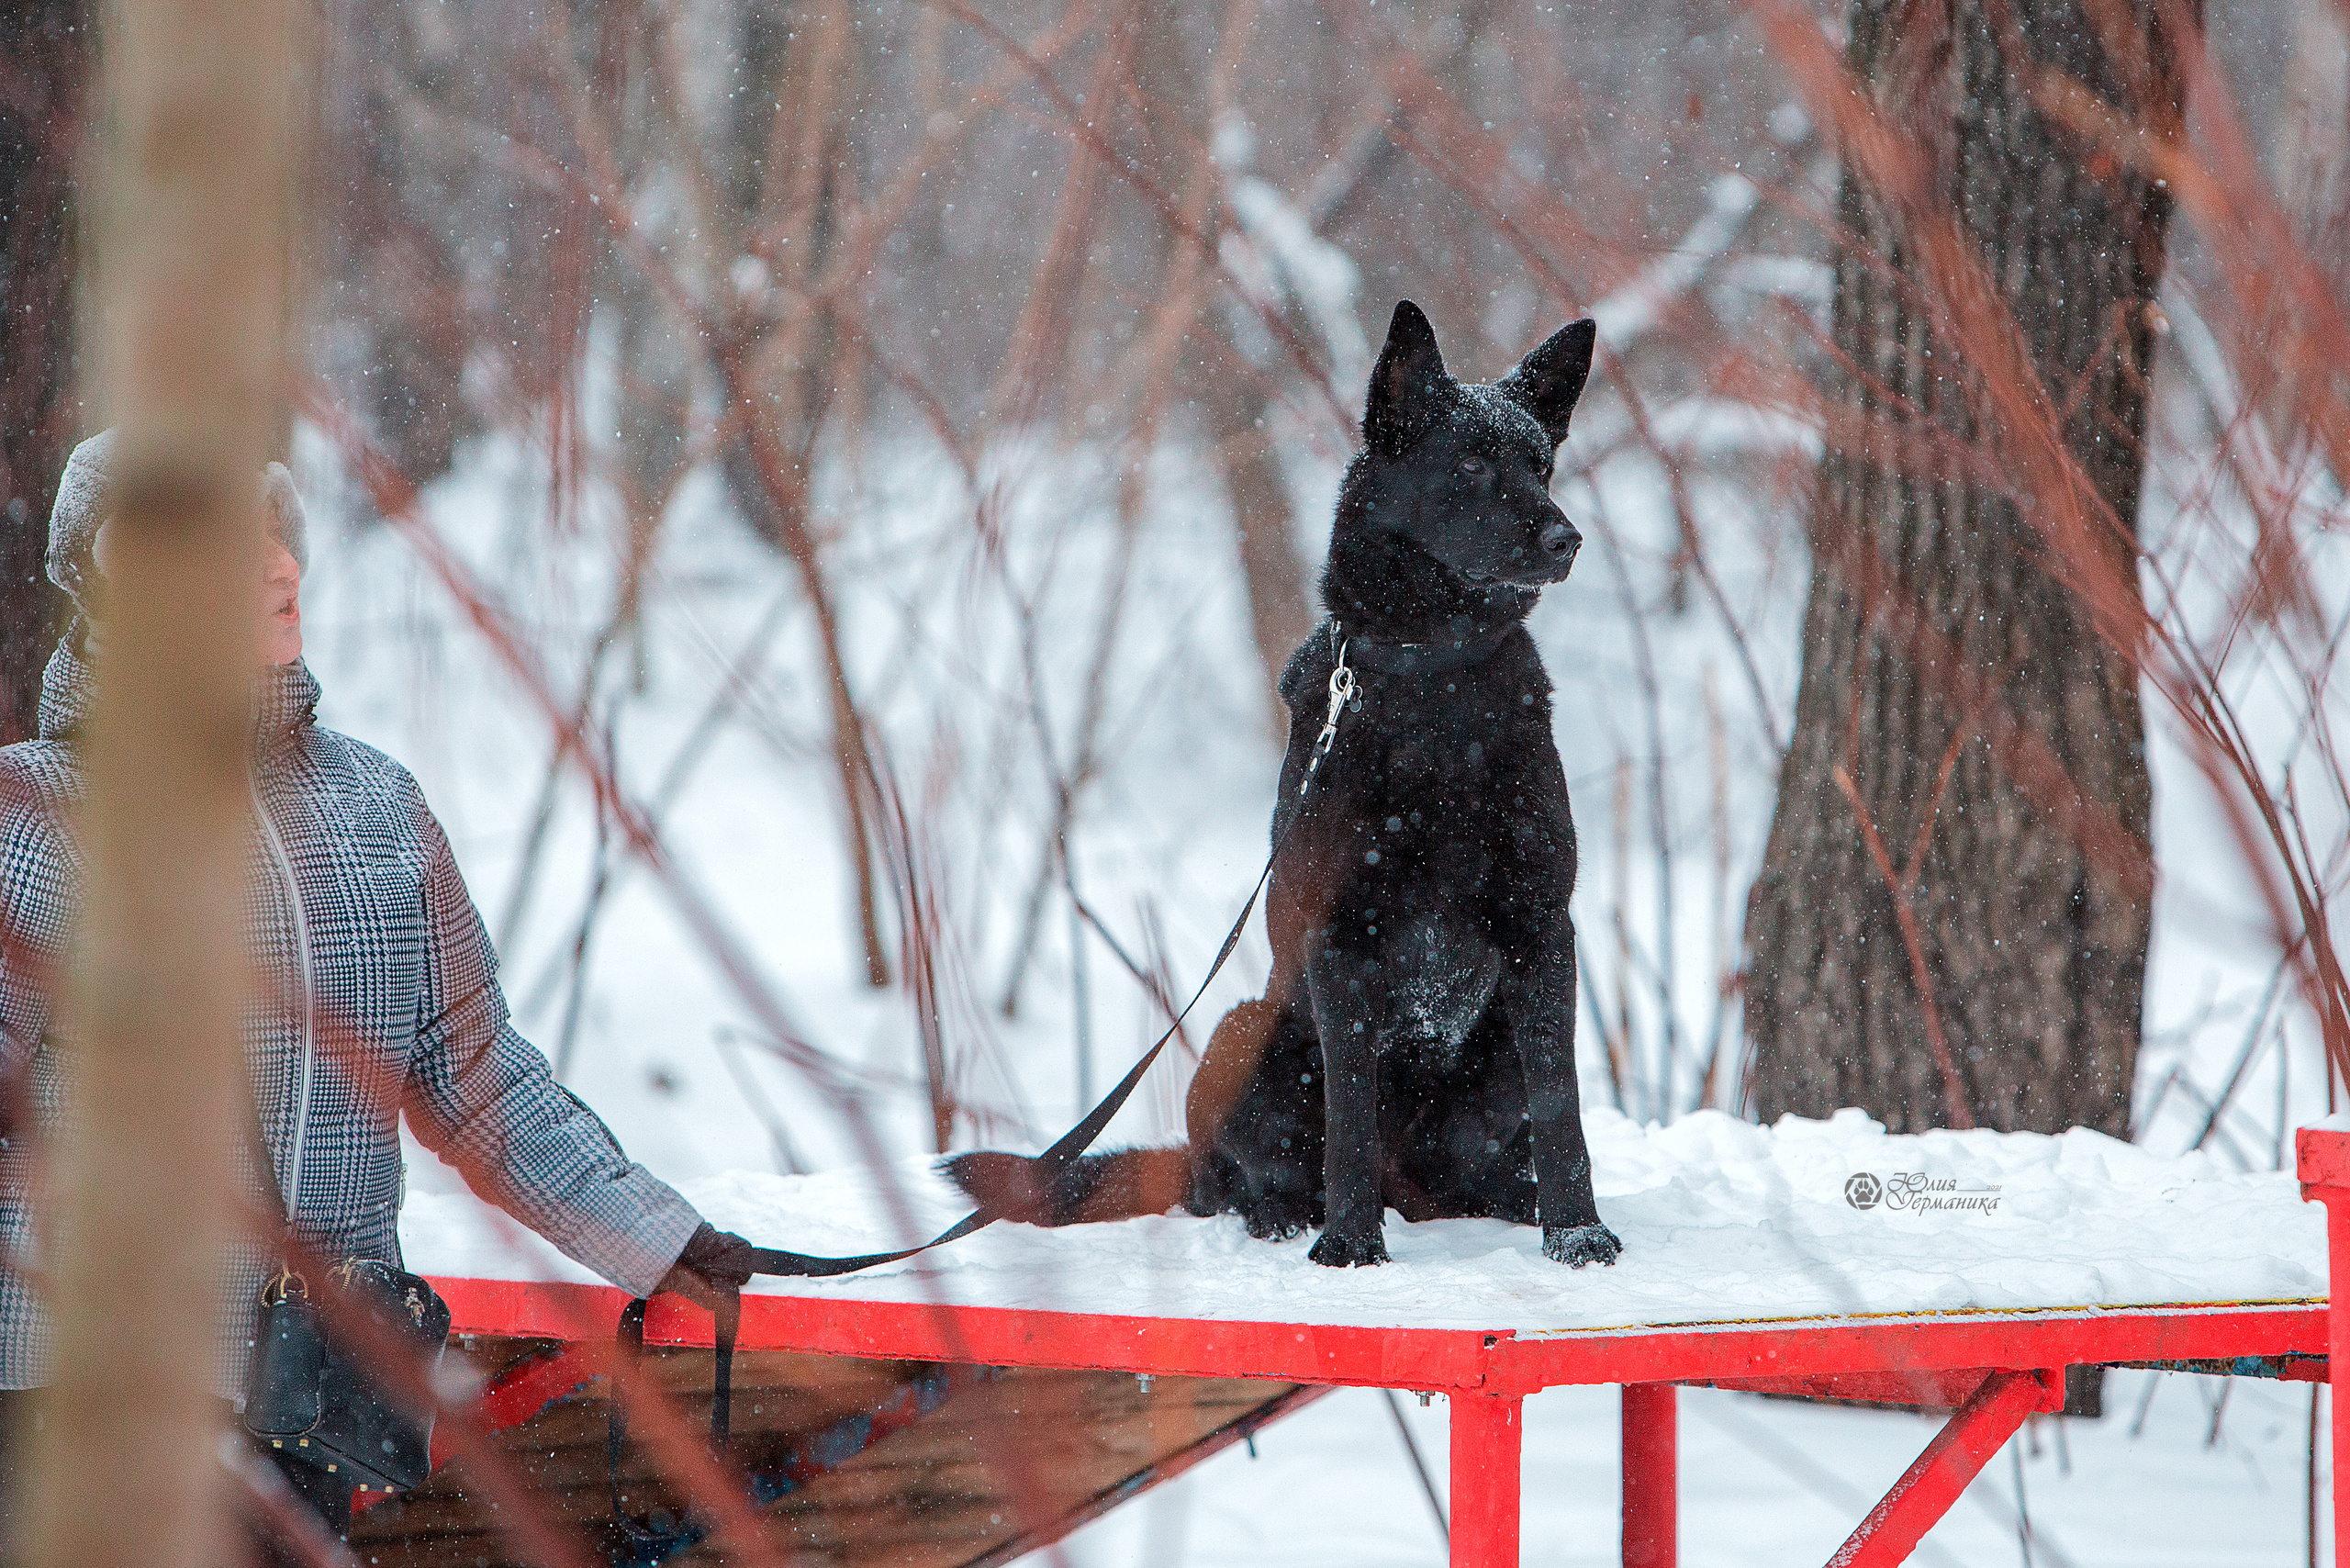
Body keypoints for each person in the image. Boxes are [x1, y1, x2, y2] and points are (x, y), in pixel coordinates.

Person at [0, 431, 761, 1552]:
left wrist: (659, 1238)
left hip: (301, 1398)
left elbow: (476, 1078)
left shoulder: (377, 811)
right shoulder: (38, 816)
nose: (277, 566)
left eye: (280, 534)